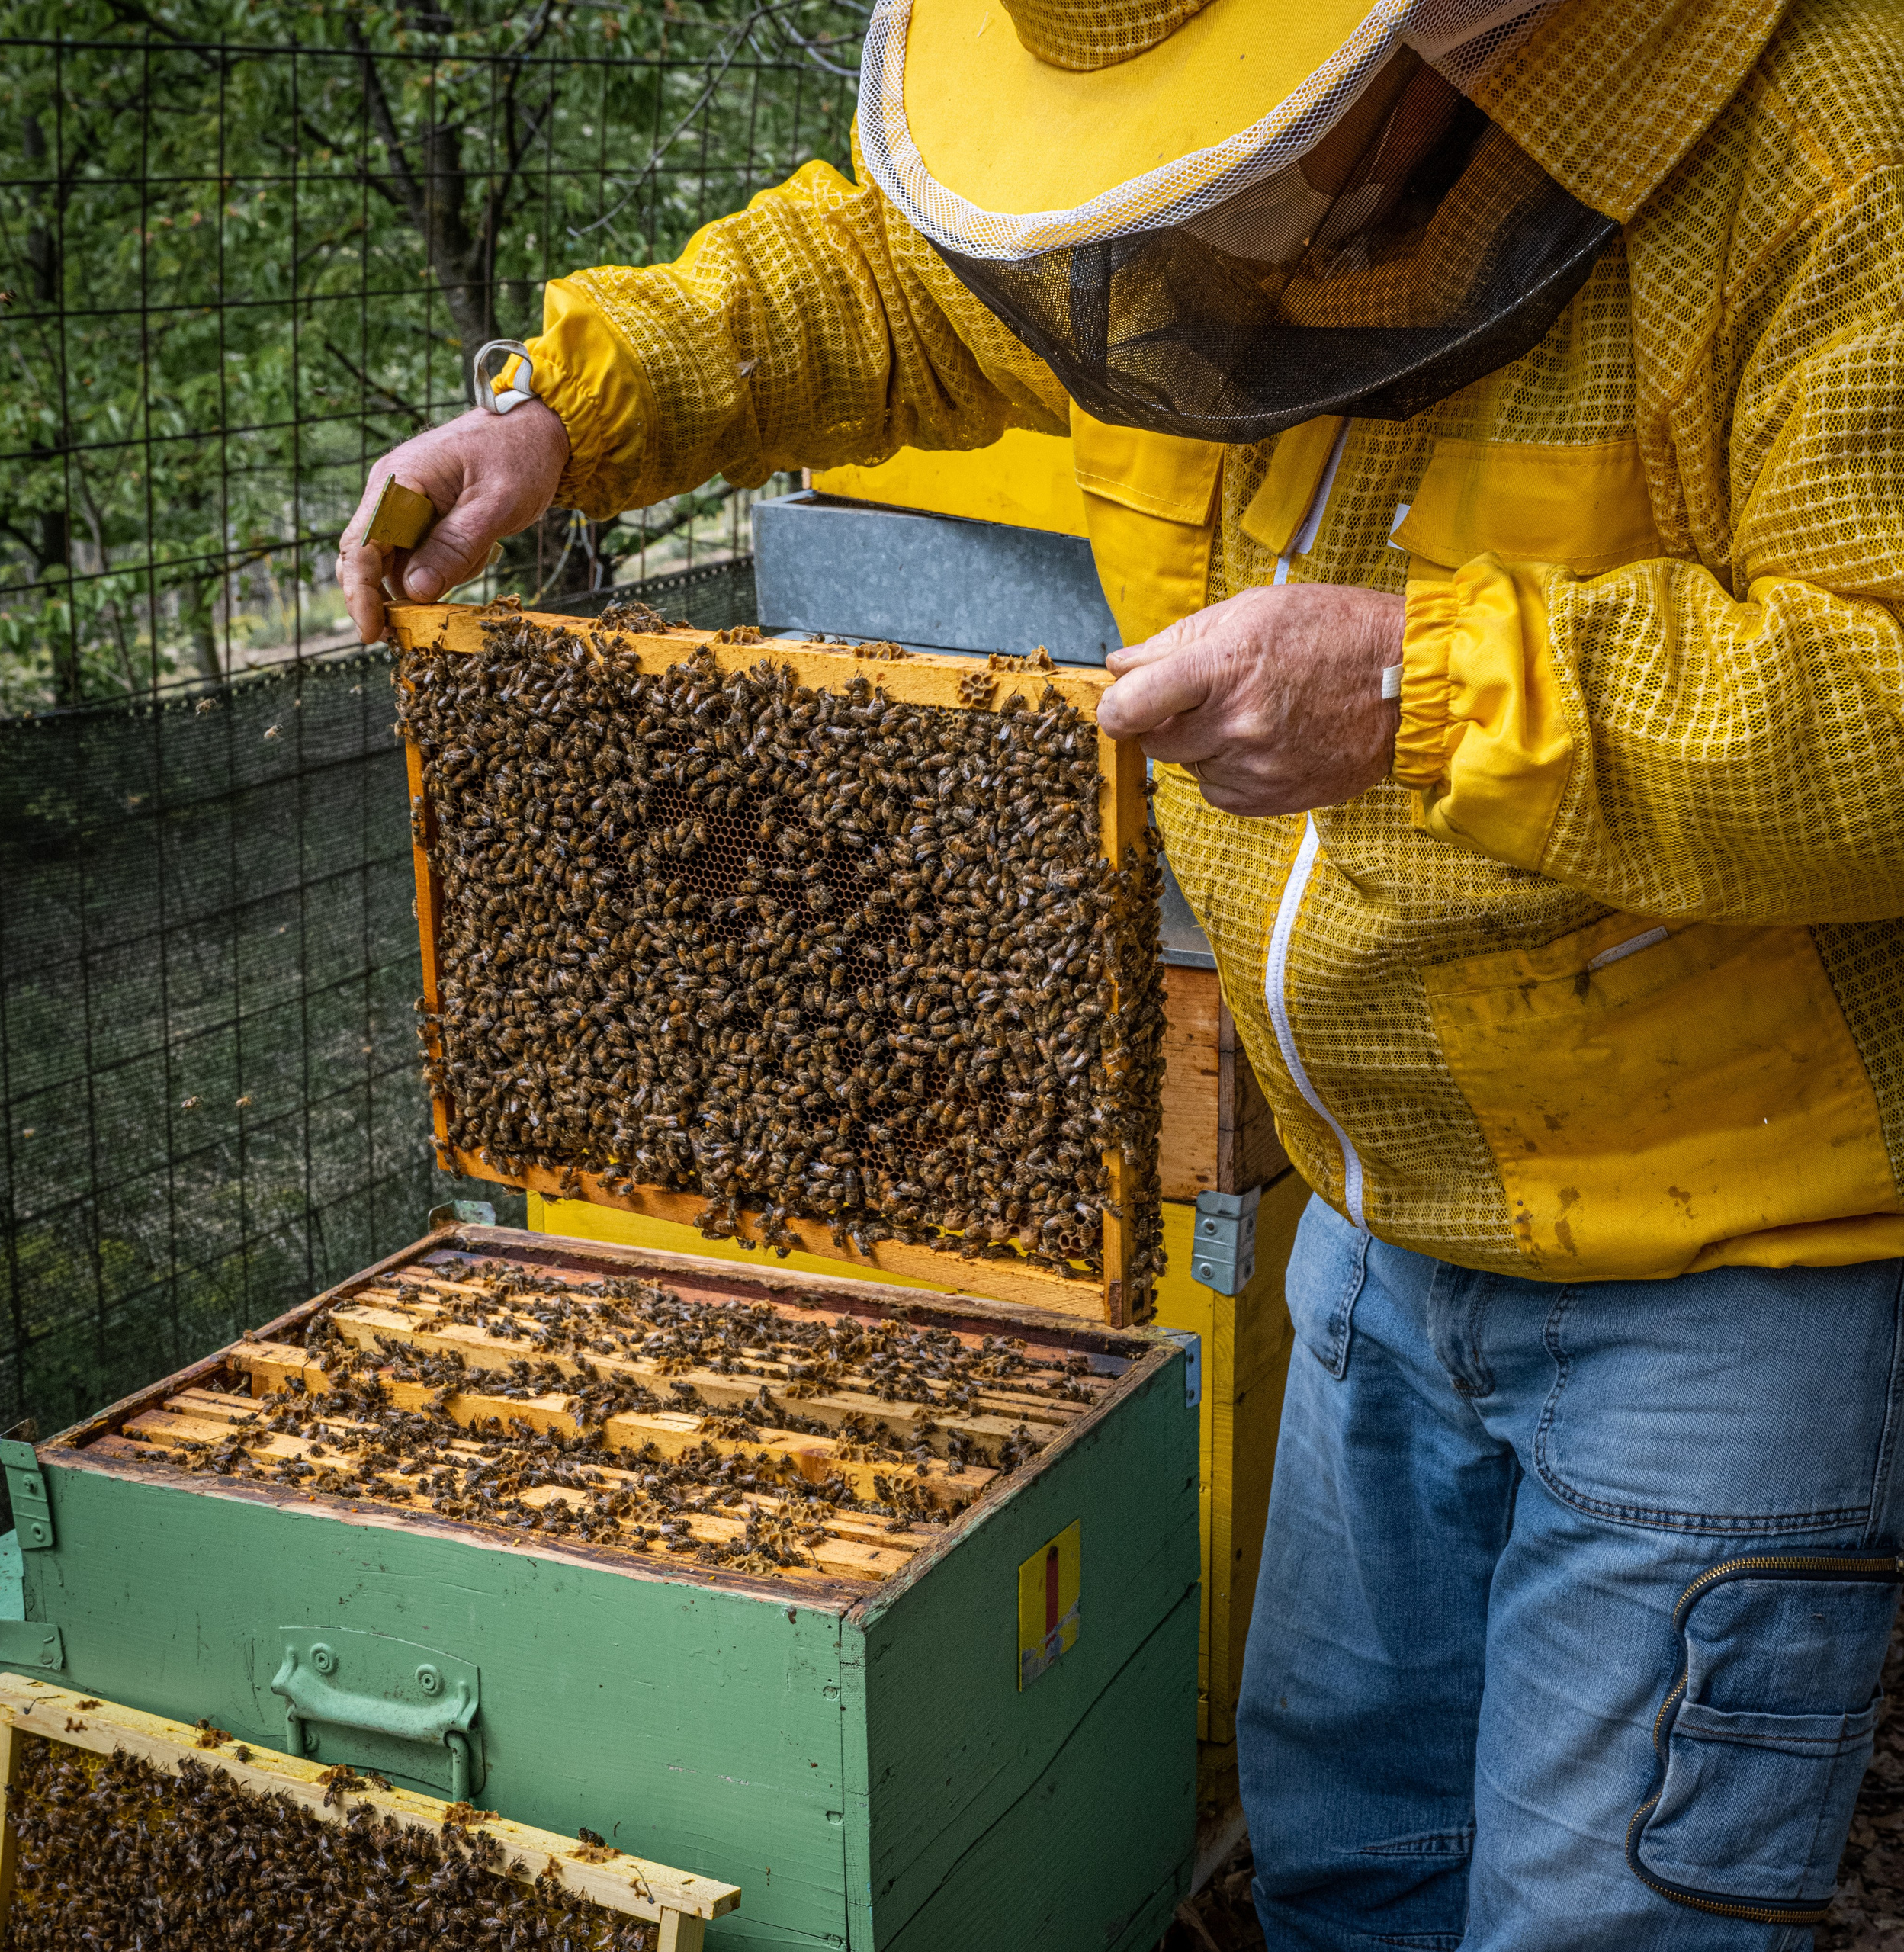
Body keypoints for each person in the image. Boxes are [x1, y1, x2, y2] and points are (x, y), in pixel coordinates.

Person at [340, 0, 1904, 1943]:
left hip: (1729, 1266)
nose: (1150, 231)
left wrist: (1422, 689)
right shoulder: (1150, 234)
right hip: (1370, 1217)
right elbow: (901, 276)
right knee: (1350, 1850)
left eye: (1217, 144)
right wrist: (565, 409)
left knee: (1597, 1916)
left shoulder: (1835, 143)